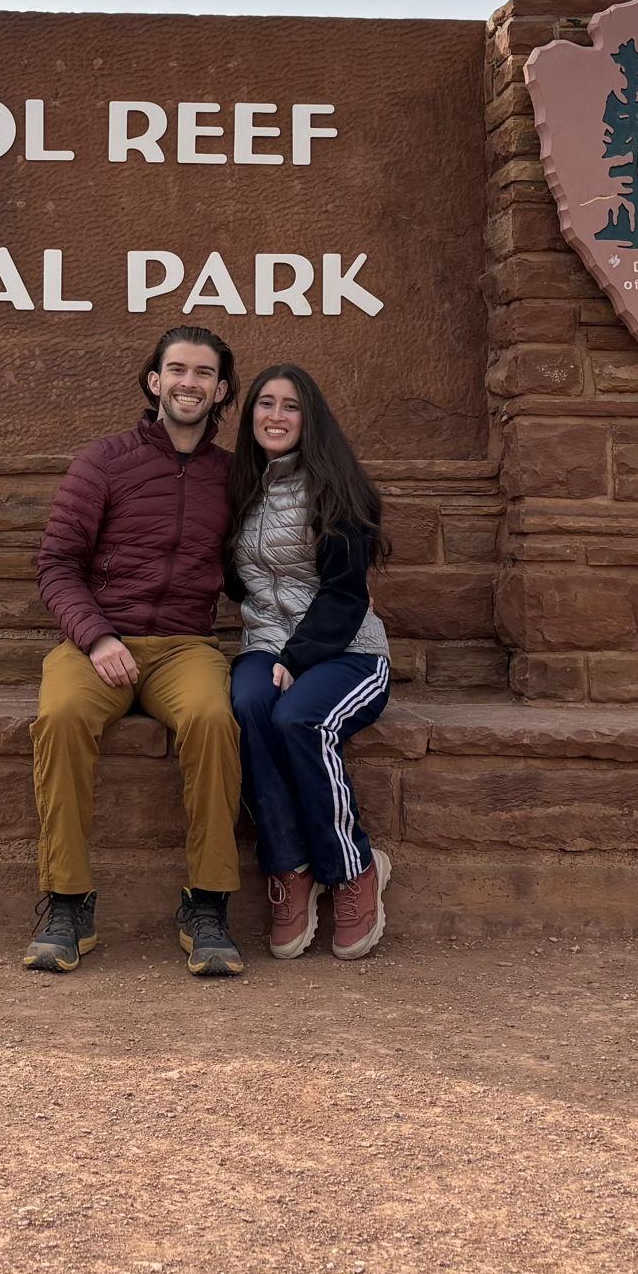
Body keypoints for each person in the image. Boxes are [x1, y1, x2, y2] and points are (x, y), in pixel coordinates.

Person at [24, 324, 246, 977]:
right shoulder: (105, 462)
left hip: (186, 646)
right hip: (96, 642)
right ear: (154, 381)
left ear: (220, 390)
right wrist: (96, 635)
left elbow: (251, 570)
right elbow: (56, 564)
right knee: (60, 719)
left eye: (203, 373)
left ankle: (206, 904)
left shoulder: (233, 478)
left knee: (213, 721)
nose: (188, 382)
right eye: (177, 370)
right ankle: (67, 903)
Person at [225, 363, 393, 961]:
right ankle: (289, 866)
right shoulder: (238, 489)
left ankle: (352, 868)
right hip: (265, 644)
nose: (275, 415)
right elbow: (232, 578)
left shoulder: (336, 489)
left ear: (309, 417)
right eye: (264, 404)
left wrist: (298, 656)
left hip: (348, 653)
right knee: (246, 708)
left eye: (290, 405)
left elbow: (346, 594)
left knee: (300, 719)